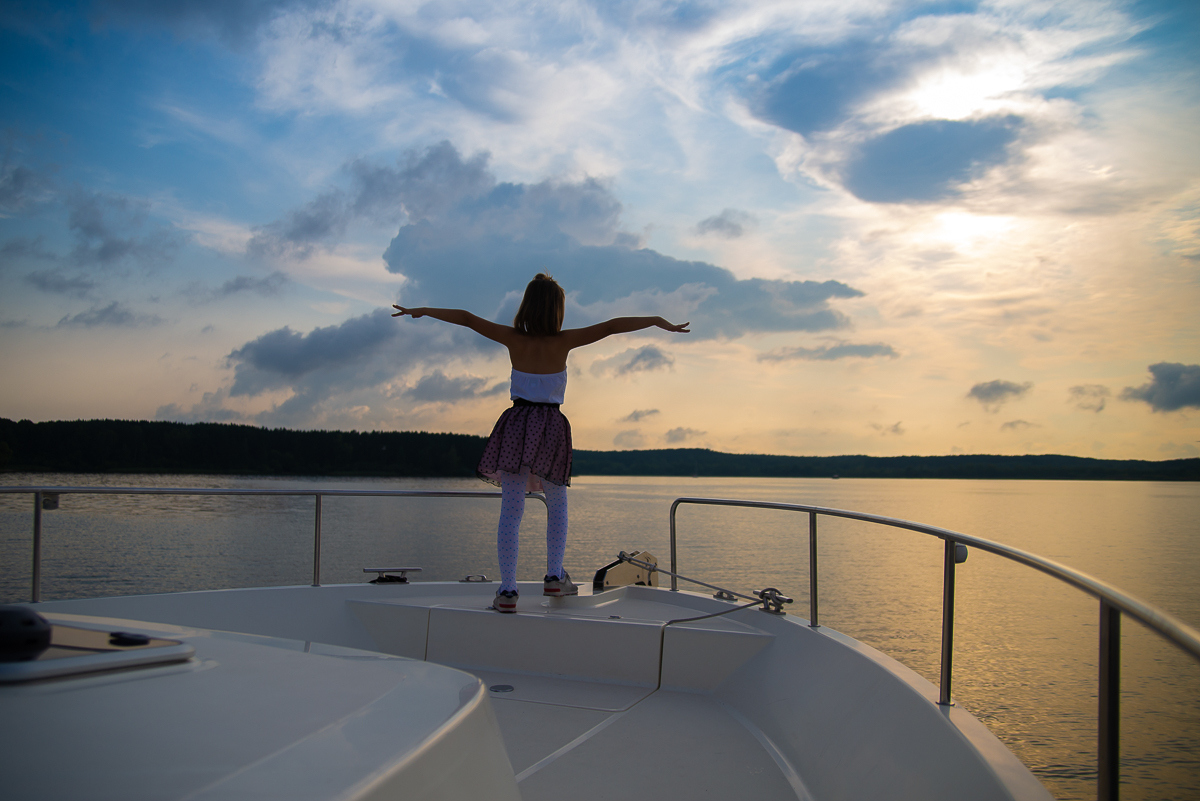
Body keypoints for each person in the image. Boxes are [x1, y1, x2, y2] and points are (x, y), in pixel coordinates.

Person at [392, 274, 690, 612]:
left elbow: (465, 317)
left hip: (518, 425)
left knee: (512, 511)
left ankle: (507, 592)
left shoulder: (512, 338)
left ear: (526, 306)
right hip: (550, 427)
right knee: (557, 504)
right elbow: (612, 326)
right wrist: (655, 320)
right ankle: (553, 577)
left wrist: (424, 310)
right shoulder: (563, 342)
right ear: (557, 310)